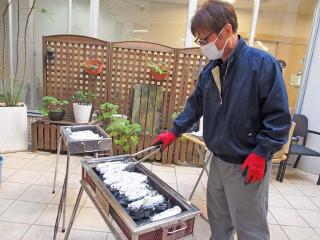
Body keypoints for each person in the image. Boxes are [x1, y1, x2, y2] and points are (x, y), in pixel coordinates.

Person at [152, 1, 291, 239]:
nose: (203, 46)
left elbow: (278, 118)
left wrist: (261, 153)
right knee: (219, 224)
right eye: (200, 41)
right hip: (217, 160)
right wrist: (174, 131)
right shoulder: (212, 70)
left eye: (205, 40)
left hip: (248, 163)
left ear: (227, 30)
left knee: (250, 229)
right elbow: (195, 105)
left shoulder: (261, 64)